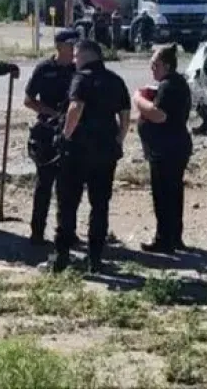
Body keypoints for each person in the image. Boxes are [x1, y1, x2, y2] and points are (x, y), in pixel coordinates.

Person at [53, 39, 131, 273]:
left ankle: (62, 258)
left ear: (87, 55)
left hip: (77, 150)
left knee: (67, 204)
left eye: (76, 56)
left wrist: (65, 136)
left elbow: (75, 108)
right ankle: (95, 260)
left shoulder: (81, 78)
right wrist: (118, 139)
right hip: (105, 151)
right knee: (100, 206)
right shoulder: (116, 80)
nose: (74, 60)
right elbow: (125, 116)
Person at [134, 44, 193, 253]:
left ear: (167, 66)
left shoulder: (169, 85)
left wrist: (139, 99)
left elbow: (159, 115)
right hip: (173, 146)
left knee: (164, 195)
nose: (152, 68)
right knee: (173, 193)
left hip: (167, 149)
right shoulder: (175, 83)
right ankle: (174, 237)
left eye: (155, 65)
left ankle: (164, 240)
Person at [23, 28, 79, 246]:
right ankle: (37, 231)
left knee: (69, 187)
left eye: (75, 45)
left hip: (71, 132)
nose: (73, 49)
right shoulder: (44, 69)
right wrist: (52, 112)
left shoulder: (78, 70)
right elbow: (28, 100)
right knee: (44, 185)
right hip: (47, 131)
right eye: (69, 45)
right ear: (59, 46)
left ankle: (67, 232)